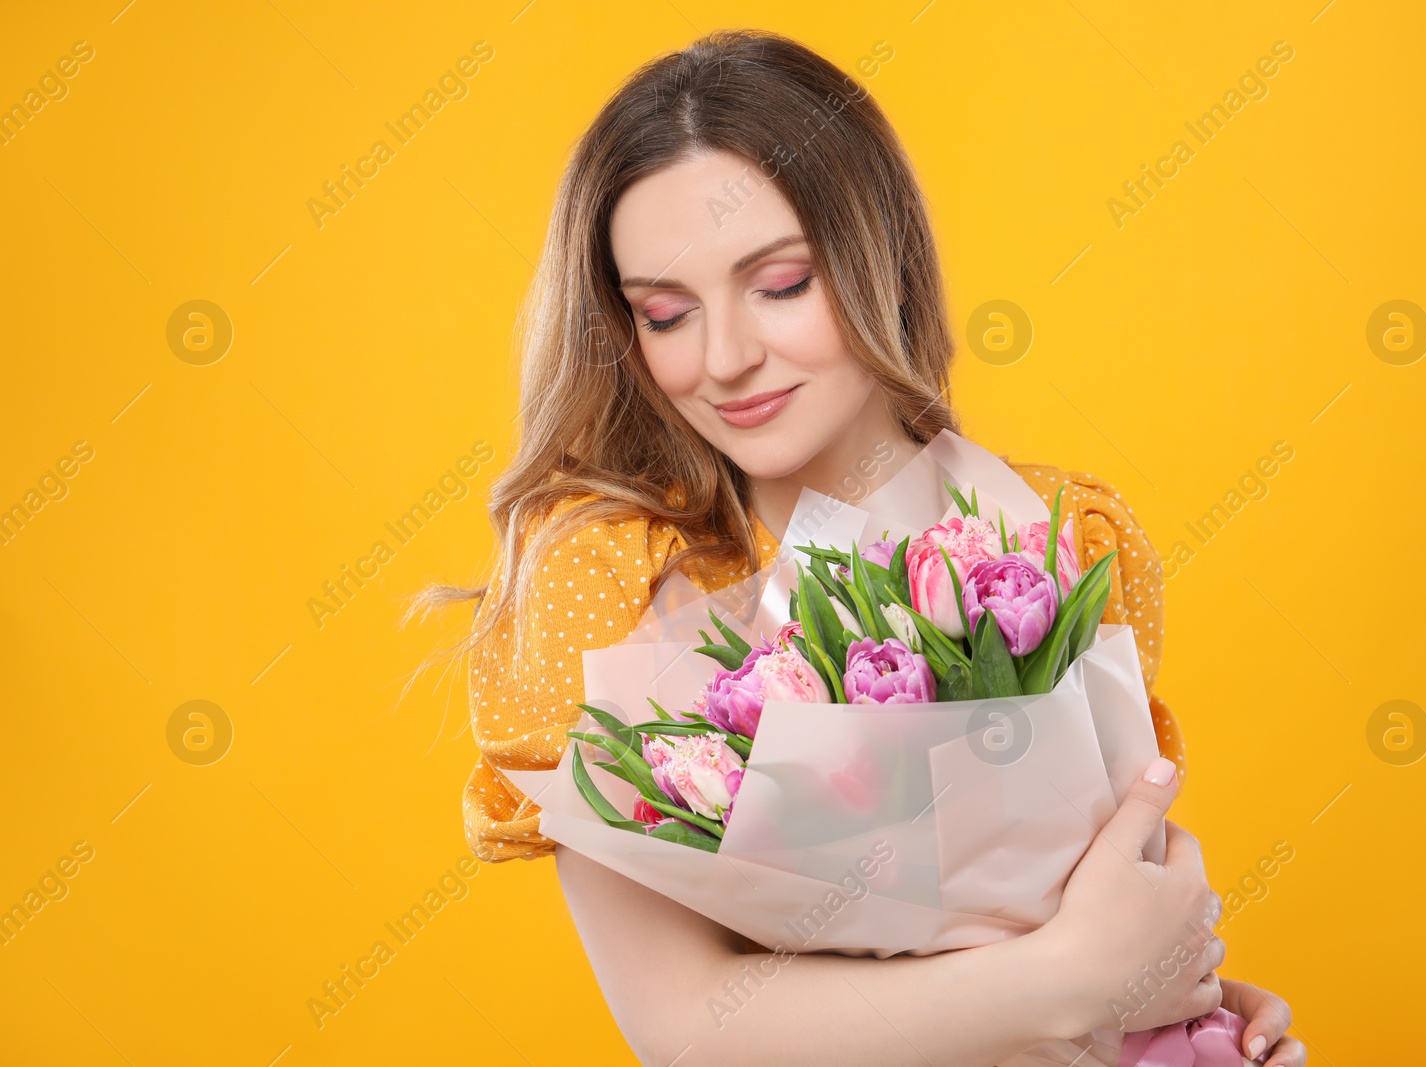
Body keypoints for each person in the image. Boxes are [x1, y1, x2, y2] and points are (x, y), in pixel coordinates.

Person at [425, 27, 1305, 1067]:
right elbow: (682, 1025)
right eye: (666, 312)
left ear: (880, 255)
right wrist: (1069, 982)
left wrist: (1179, 1013)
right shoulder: (610, 576)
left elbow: (1086, 906)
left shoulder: (1054, 535)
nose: (725, 357)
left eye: (781, 284)